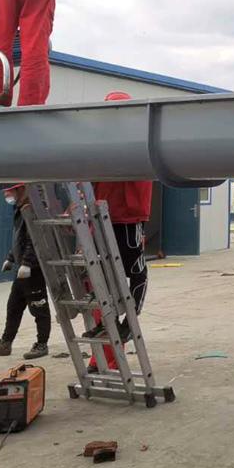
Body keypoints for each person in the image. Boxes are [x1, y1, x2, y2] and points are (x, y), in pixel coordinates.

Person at [87, 90, 153, 373]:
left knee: (135, 271)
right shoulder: (101, 141)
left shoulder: (139, 139)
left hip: (127, 218)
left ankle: (128, 321)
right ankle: (107, 336)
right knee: (101, 280)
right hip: (103, 217)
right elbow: (89, 179)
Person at [0, 185, 51, 359]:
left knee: (39, 308)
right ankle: (6, 343)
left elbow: (35, 240)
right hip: (22, 270)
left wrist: (27, 263)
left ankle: (42, 344)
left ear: (21, 191)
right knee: (13, 307)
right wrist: (11, 258)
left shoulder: (34, 210)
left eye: (10, 192)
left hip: (34, 270)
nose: (7, 196)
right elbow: (19, 239)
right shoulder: (20, 209)